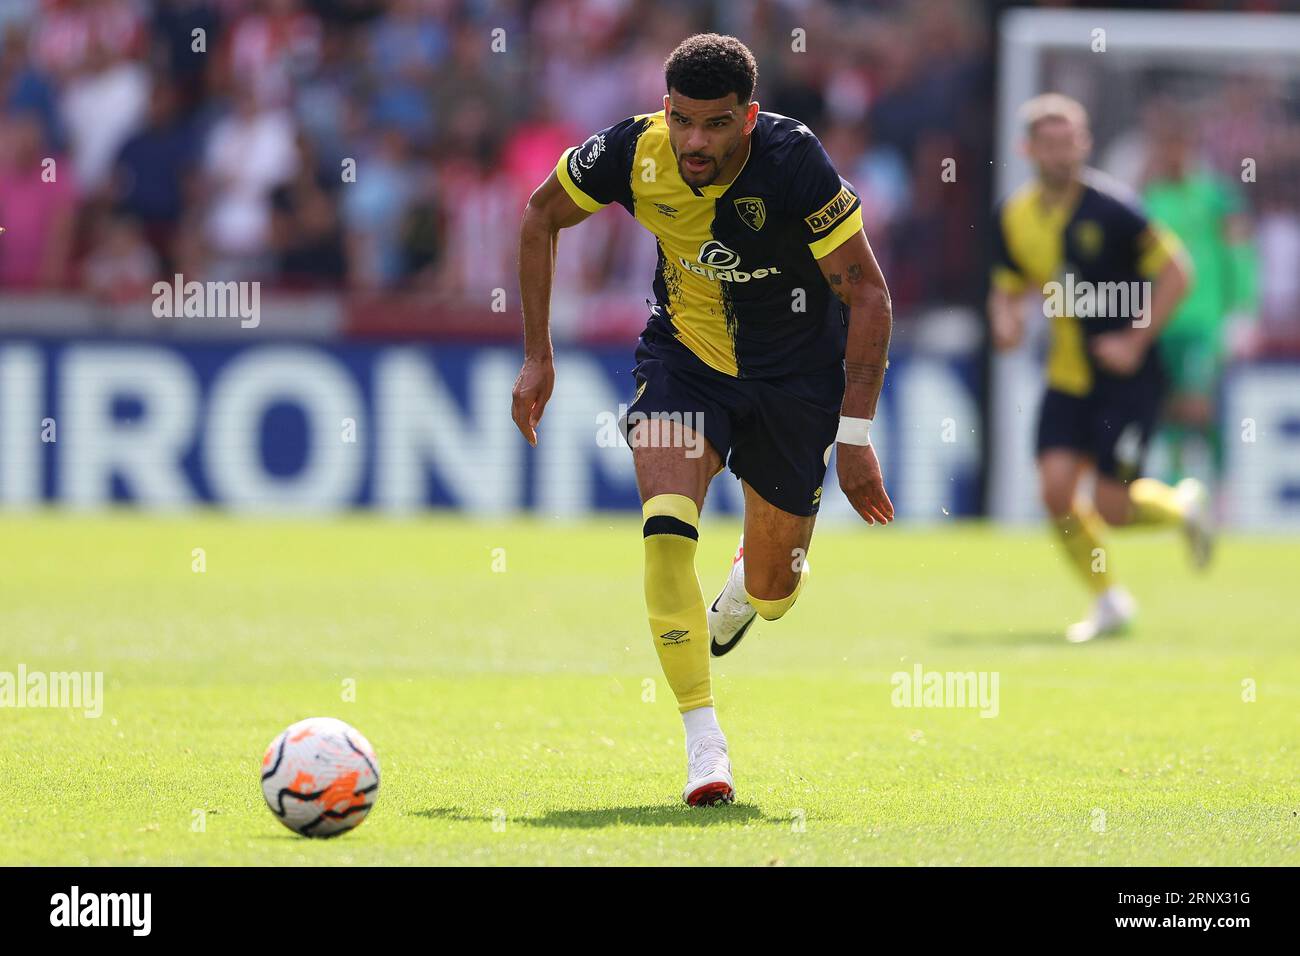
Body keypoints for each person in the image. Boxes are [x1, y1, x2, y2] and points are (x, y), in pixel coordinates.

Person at [512, 34, 894, 805]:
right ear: (665, 110)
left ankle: (745, 589)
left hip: (795, 382)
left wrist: (854, 438)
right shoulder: (630, 151)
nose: (694, 141)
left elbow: (869, 294)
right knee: (663, 533)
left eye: (715, 124)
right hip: (683, 361)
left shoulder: (795, 161)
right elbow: (538, 218)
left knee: (775, 590)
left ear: (748, 117)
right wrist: (538, 356)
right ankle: (703, 743)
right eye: (682, 120)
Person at [988, 94, 1212, 644]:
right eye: (1052, 143)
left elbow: (1179, 272)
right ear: (1028, 149)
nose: (1064, 154)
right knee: (1056, 493)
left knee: (1112, 508)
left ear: (1085, 144)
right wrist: (1007, 320)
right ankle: (1109, 601)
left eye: (1072, 142)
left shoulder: (1115, 210)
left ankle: (1182, 507)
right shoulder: (1014, 215)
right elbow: (1008, 285)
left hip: (1127, 380)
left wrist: (1136, 341)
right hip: (1067, 376)